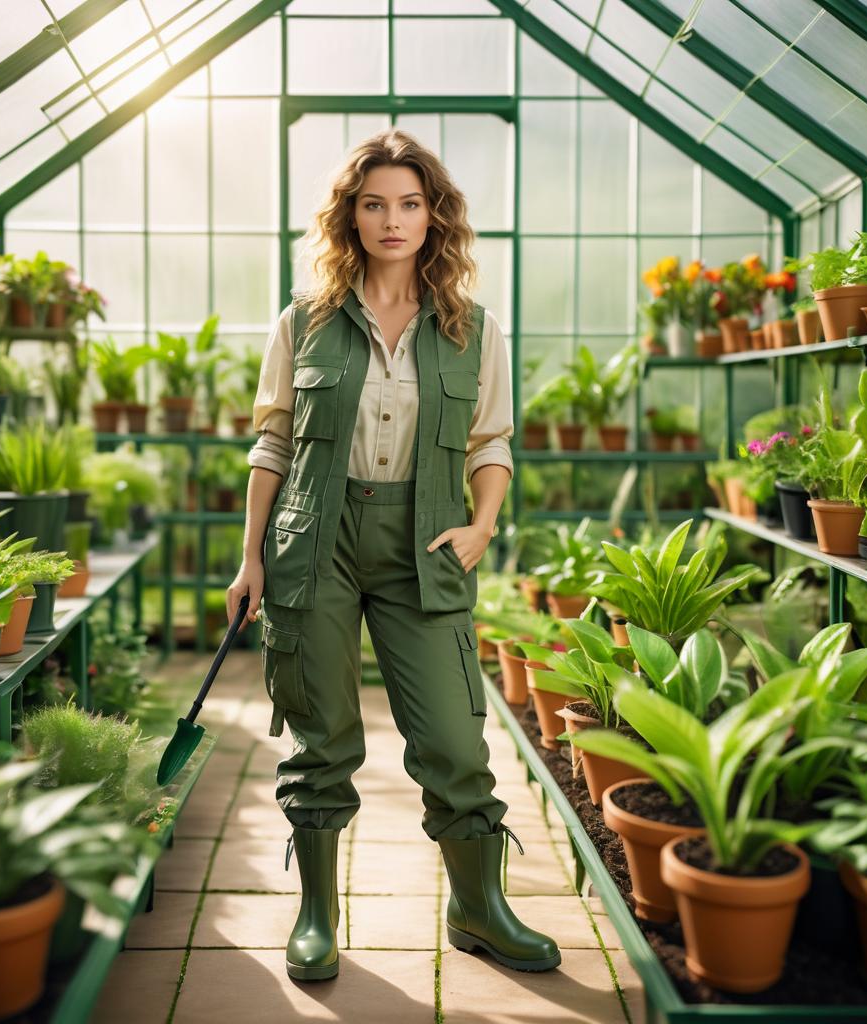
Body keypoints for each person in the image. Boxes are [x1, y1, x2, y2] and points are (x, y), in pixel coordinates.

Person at [227, 128, 560, 982]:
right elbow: (273, 444)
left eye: (410, 203)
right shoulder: (302, 322)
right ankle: (316, 916)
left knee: (454, 735)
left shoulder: (471, 329)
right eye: (374, 203)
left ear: (433, 216)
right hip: (318, 538)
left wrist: (482, 527)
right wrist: (251, 560)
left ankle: (479, 907)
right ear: (351, 217)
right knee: (321, 734)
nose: (392, 219)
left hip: (430, 538)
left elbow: (492, 444)